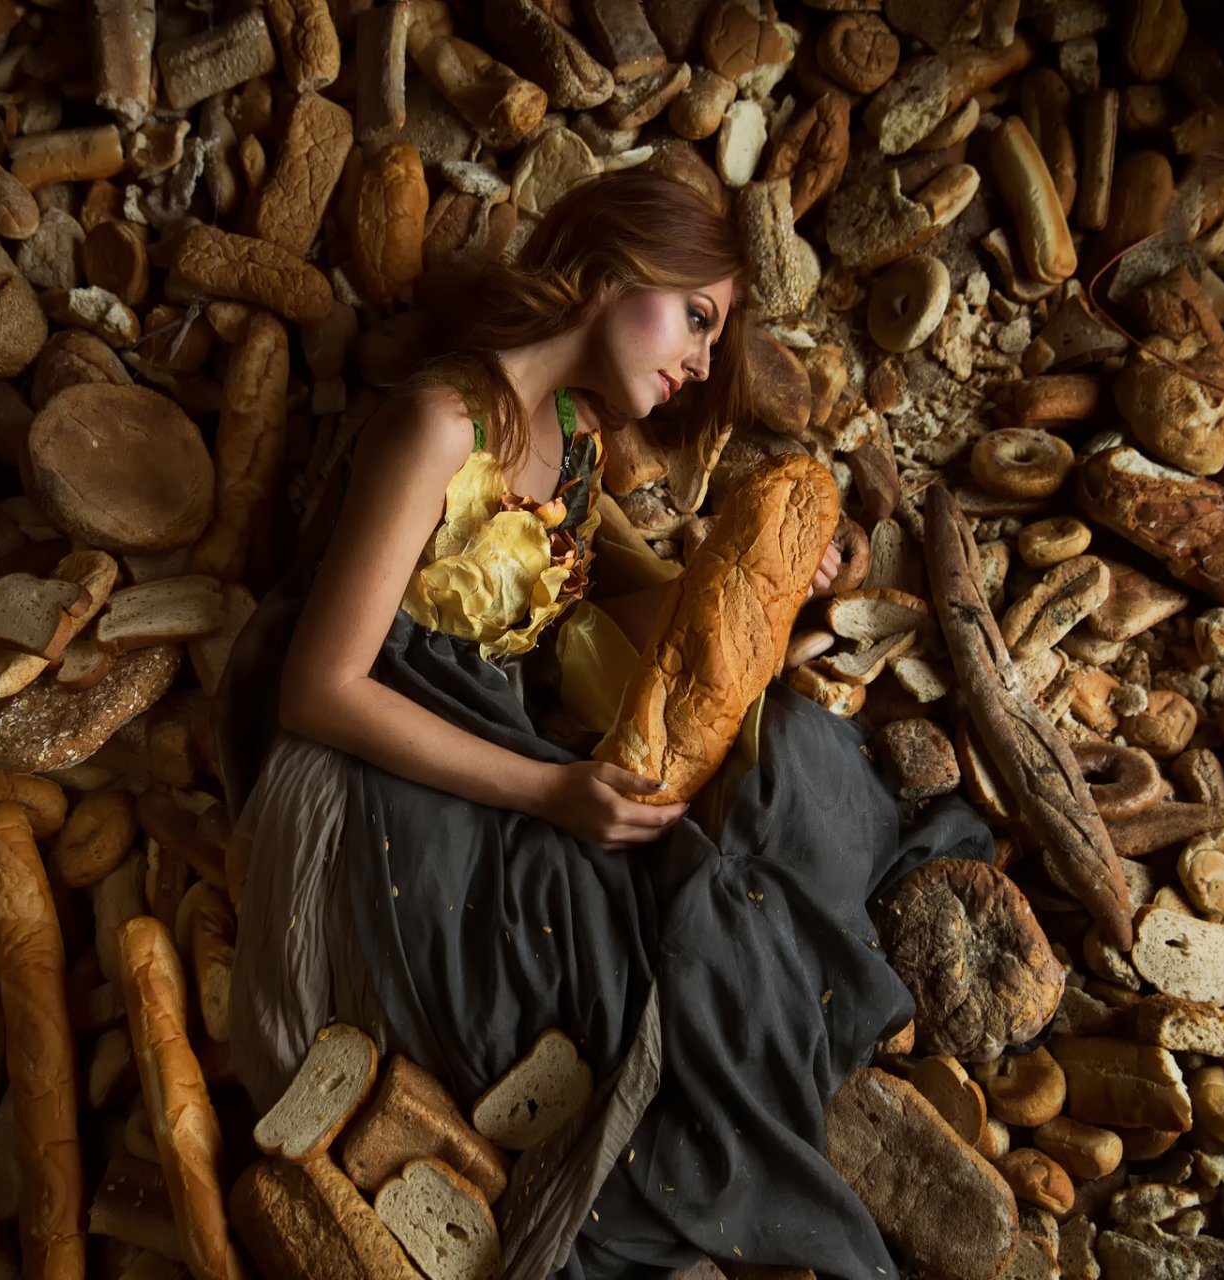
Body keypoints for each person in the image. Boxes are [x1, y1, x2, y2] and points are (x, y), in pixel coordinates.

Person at [223, 169, 992, 1278]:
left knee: (781, 778)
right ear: (614, 267)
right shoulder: (439, 424)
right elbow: (320, 689)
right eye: (697, 317)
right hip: (375, 778)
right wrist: (547, 792)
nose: (696, 362)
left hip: (493, 729)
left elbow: (563, 626)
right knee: (626, 926)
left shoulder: (572, 441)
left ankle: (794, 1073)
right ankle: (752, 1138)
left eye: (710, 338)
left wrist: (759, 578)